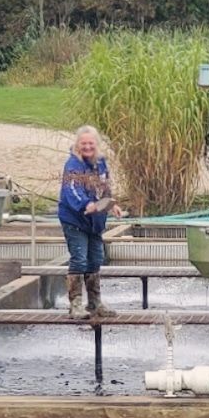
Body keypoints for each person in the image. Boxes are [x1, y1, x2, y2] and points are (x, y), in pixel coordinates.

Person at [58, 125, 123, 319]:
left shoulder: (101, 163)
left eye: (90, 143)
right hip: (75, 219)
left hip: (96, 221)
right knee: (79, 259)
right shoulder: (73, 165)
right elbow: (72, 191)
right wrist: (87, 204)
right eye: (83, 143)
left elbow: (104, 188)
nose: (87, 147)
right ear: (78, 144)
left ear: (96, 144)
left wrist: (111, 205)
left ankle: (95, 303)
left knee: (96, 258)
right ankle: (75, 305)